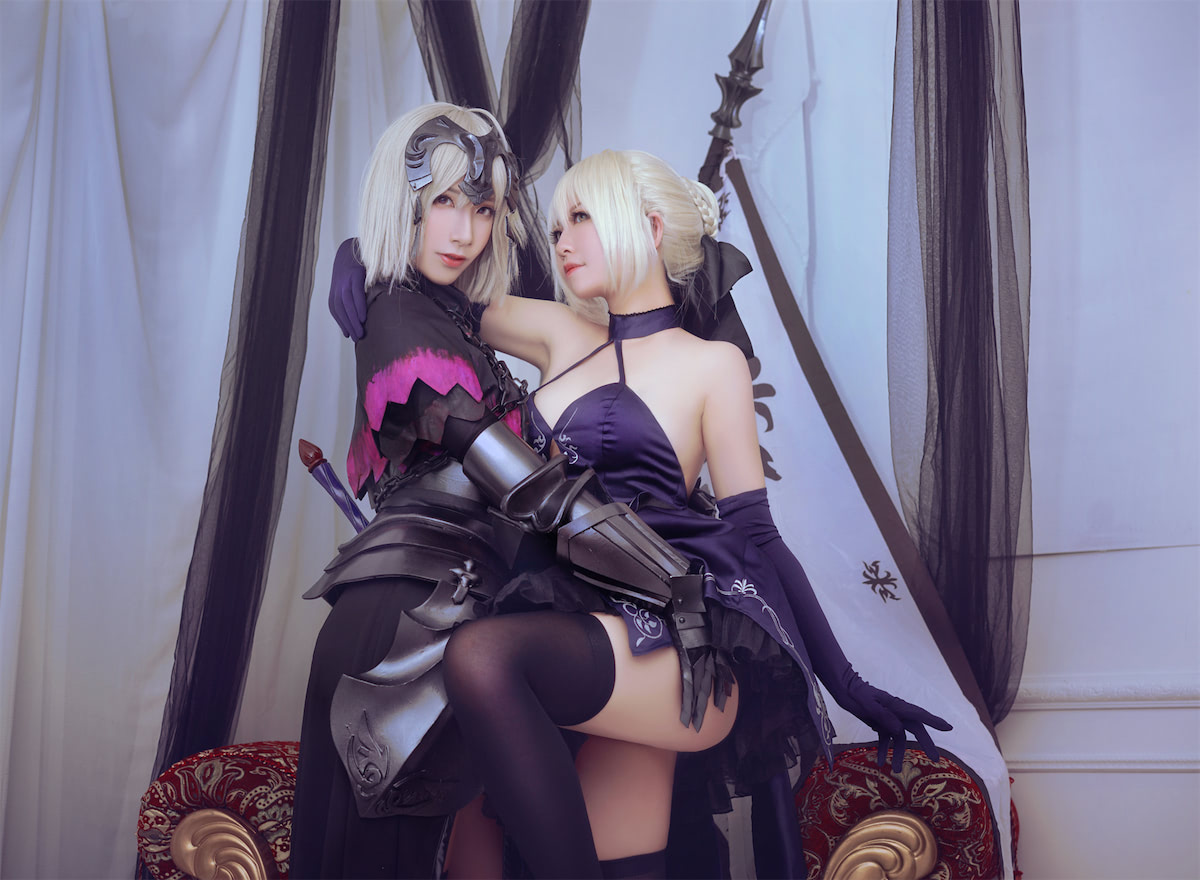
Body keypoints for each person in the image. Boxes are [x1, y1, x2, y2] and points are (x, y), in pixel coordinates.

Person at [329, 148, 951, 879]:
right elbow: (437, 285)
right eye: (556, 227)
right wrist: (365, 251)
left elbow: (756, 534)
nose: (561, 242)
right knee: (519, 849)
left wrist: (844, 683)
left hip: (671, 639)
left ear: (649, 227)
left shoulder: (711, 364)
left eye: (581, 218)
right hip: (573, 621)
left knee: (482, 657)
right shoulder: (561, 334)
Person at [293, 107, 692, 878]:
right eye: (442, 201)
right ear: (403, 199)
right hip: (401, 628)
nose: (464, 231)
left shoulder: (445, 312)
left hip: (454, 622)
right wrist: (676, 584)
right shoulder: (398, 311)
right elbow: (528, 489)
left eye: (481, 209)